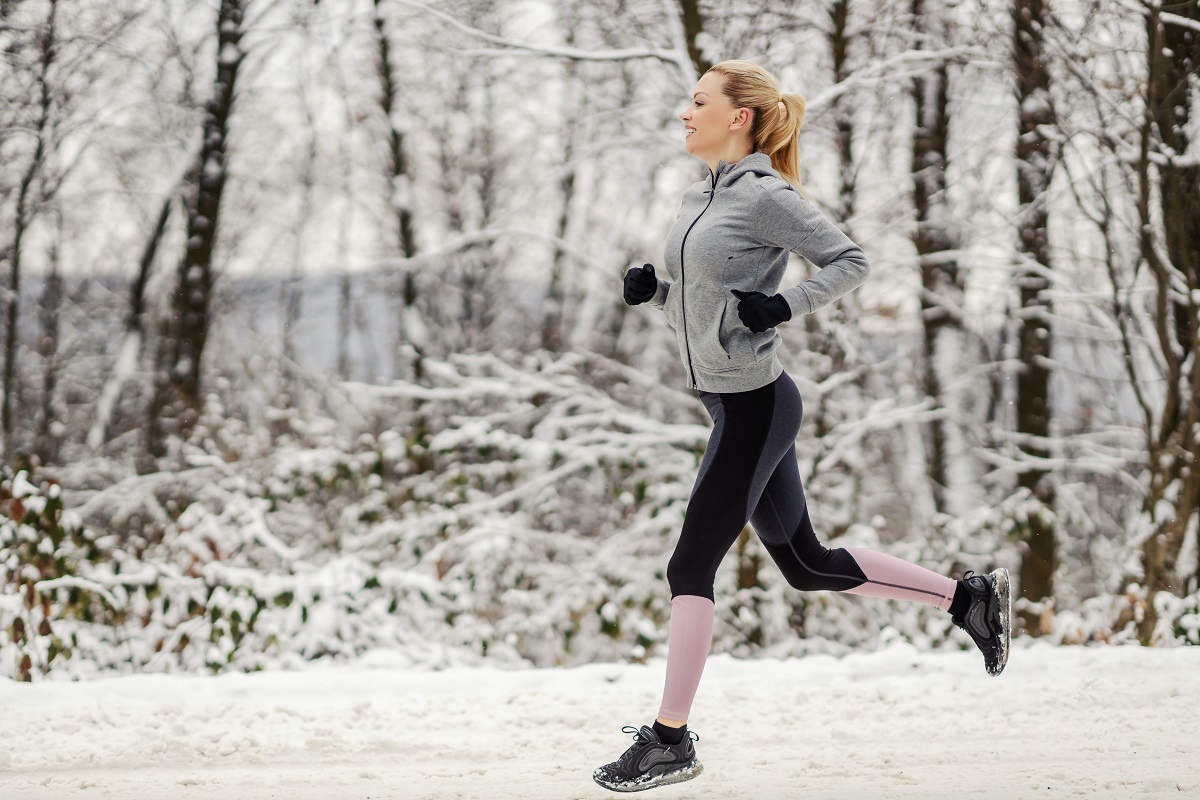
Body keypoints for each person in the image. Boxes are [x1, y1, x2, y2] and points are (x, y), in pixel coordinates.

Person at [592, 60, 1012, 794]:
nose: (683, 114)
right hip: (726, 403)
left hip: (757, 406)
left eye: (697, 102)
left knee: (690, 567)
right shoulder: (699, 195)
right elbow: (710, 300)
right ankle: (964, 597)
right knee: (807, 564)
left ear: (739, 117)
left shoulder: (766, 196)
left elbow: (851, 260)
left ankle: (669, 739)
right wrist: (657, 291)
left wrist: (786, 307)